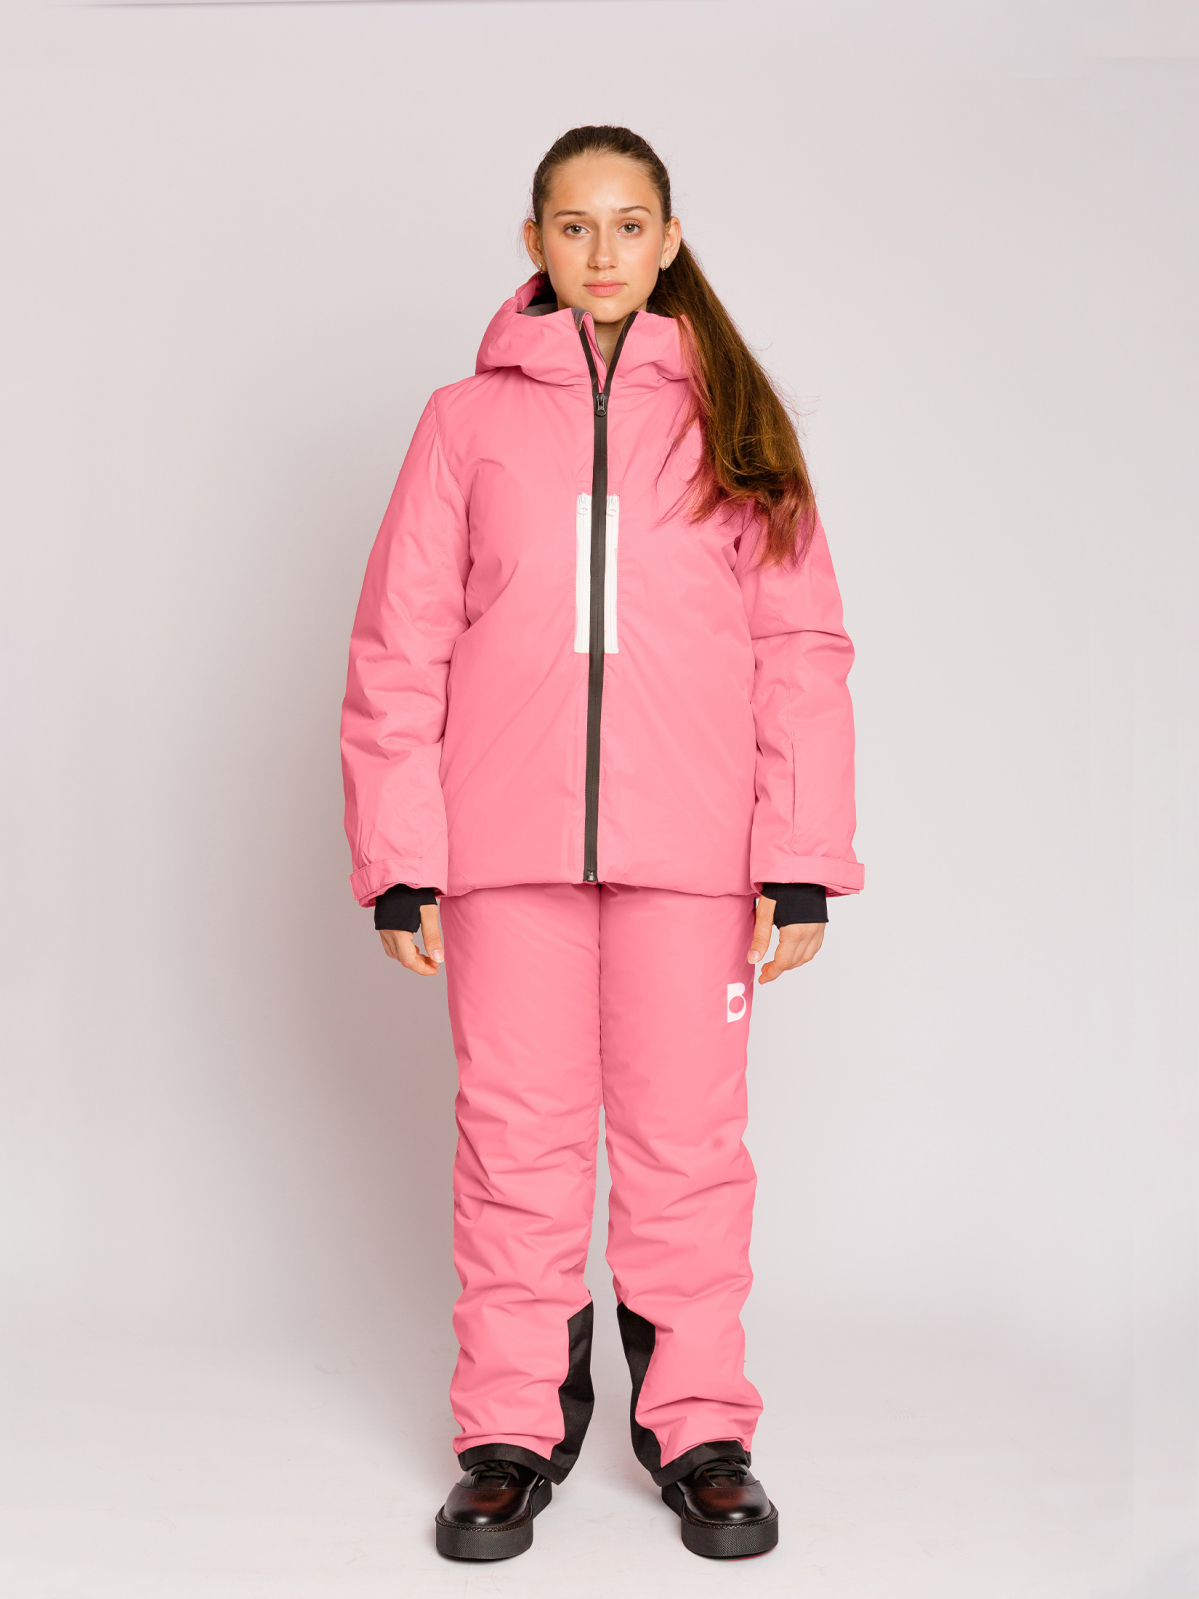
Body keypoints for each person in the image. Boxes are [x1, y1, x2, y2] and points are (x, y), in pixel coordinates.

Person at [340, 125, 862, 1562]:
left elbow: (801, 648)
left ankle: (699, 1430)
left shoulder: (736, 422)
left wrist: (799, 854)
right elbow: (399, 645)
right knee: (515, 1146)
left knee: (687, 1150)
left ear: (670, 239)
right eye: (575, 226)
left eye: (631, 225)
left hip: (692, 855)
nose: (604, 251)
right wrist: (401, 857)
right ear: (535, 244)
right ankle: (509, 1431)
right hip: (502, 851)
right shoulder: (463, 422)